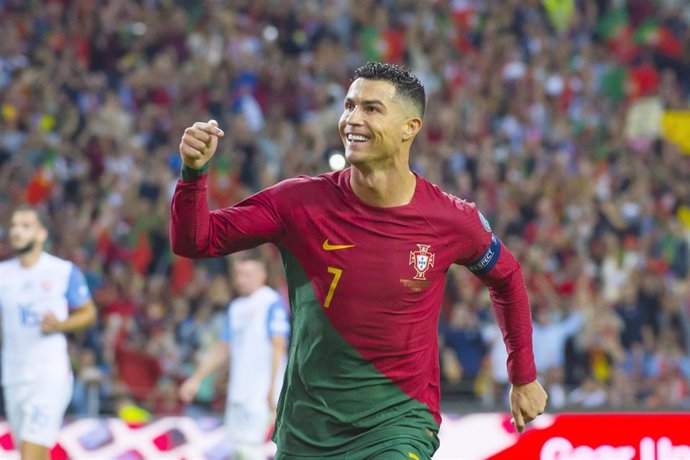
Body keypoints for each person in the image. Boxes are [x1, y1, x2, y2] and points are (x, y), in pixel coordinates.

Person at [171, 62, 547, 459]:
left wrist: (522, 376)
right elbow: (197, 240)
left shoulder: (451, 219)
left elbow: (506, 277)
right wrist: (193, 174)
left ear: (410, 127)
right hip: (307, 431)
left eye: (371, 109)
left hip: (399, 425)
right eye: (349, 106)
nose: (352, 119)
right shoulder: (298, 203)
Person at [0, 205, 97, 460]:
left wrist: (60, 325)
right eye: (14, 226)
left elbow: (88, 313)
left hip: (49, 376)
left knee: (30, 451)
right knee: (33, 452)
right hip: (13, 376)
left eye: (25, 226)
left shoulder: (62, 271)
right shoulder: (3, 274)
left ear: (41, 233)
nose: (16, 232)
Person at [178, 255, 290, 460]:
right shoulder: (236, 307)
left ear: (262, 275)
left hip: (261, 394)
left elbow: (279, 346)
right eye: (238, 275)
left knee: (252, 450)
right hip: (238, 392)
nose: (241, 280)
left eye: (247, 275)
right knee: (238, 449)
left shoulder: (271, 302)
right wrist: (197, 378)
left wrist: (273, 390)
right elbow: (223, 347)